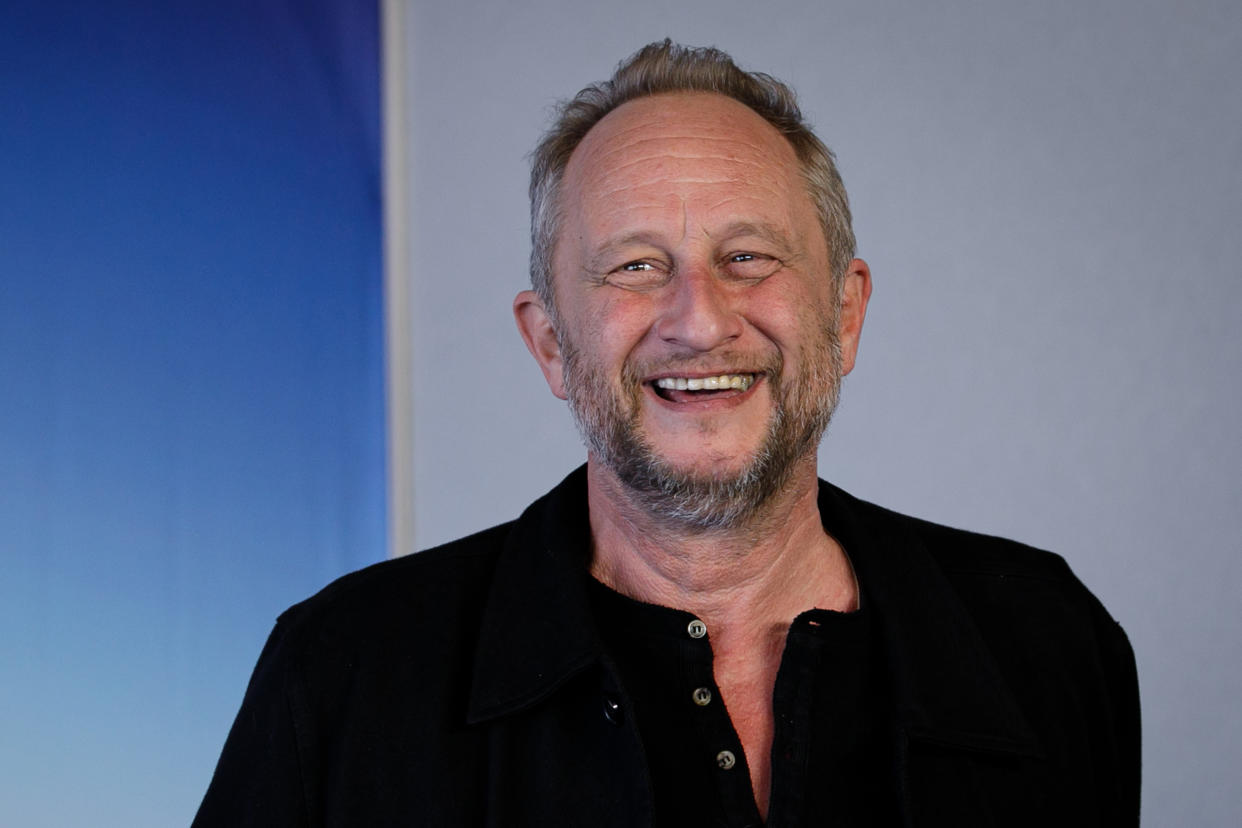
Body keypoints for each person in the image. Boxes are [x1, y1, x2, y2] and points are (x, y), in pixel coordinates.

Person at [194, 41, 1140, 826]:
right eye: (637, 266)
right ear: (551, 343)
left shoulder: (1048, 645)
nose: (699, 318)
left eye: (747, 257)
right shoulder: (342, 678)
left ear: (844, 316)